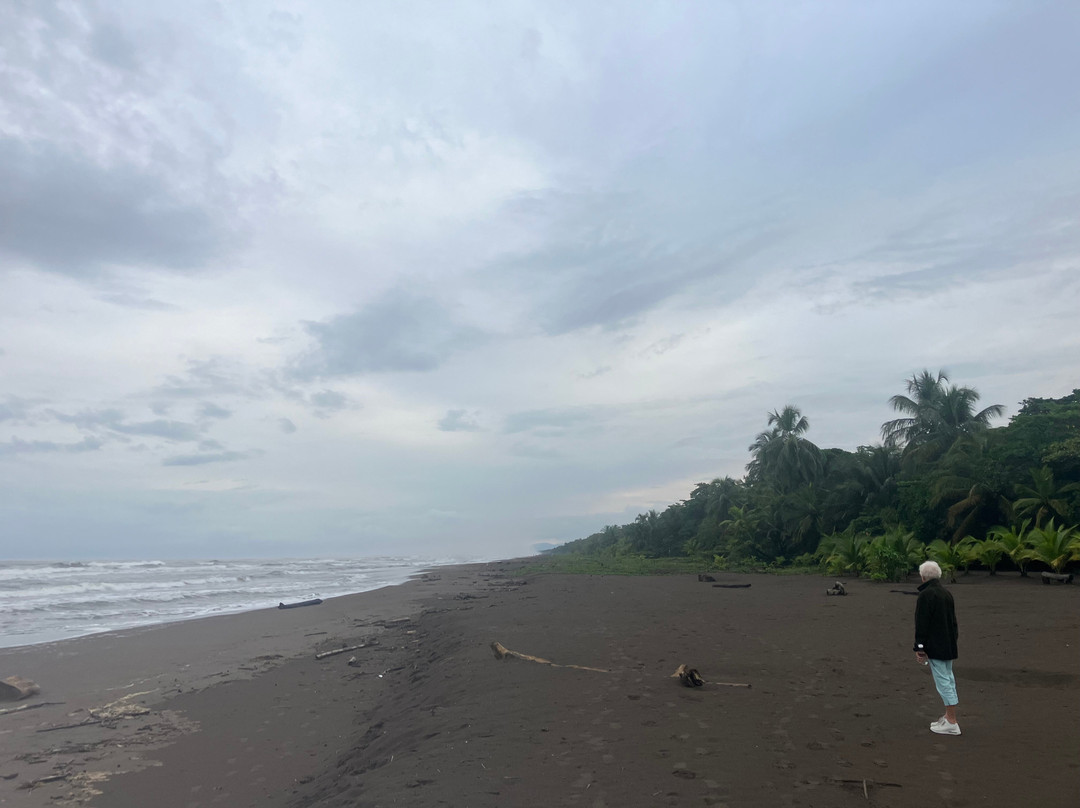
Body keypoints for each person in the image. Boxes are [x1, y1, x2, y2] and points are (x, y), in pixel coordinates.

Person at [913, 560, 960, 735]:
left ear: (923, 576)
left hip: (937, 645)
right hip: (948, 644)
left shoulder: (926, 595)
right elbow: (954, 623)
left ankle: (952, 721)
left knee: (944, 682)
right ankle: (948, 717)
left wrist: (919, 647)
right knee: (948, 678)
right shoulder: (946, 594)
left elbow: (922, 623)